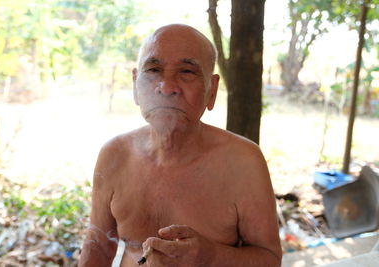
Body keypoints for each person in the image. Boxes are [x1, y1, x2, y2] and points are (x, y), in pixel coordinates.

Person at [79, 23, 281, 267]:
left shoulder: (243, 161)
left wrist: (211, 257)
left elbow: (269, 259)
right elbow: (99, 246)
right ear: (135, 84)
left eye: (187, 72)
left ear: (212, 90)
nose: (166, 87)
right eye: (153, 69)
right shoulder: (115, 154)